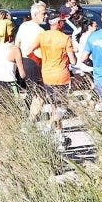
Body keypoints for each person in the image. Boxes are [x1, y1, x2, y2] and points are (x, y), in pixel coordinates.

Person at [33, 12, 75, 145]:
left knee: (54, 107)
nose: (63, 23)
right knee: (62, 107)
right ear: (58, 23)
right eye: (62, 21)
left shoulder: (42, 36)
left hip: (47, 75)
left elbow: (28, 50)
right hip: (61, 75)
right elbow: (73, 61)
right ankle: (48, 128)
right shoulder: (65, 38)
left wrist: (39, 61)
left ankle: (60, 138)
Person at [15, 2, 48, 120]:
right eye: (43, 13)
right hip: (34, 62)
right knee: (40, 93)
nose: (46, 16)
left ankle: (28, 116)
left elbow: (17, 44)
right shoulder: (40, 31)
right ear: (35, 14)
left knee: (30, 91)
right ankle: (31, 120)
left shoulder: (23, 26)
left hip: (23, 61)